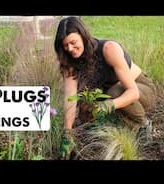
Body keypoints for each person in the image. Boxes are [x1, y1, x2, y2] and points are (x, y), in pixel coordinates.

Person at [54, 16, 157, 160]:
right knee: (86, 104)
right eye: (65, 45)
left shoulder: (108, 49)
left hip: (142, 90)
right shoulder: (70, 61)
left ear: (83, 36)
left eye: (73, 42)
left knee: (114, 92)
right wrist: (67, 133)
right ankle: (119, 123)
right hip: (111, 95)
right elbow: (70, 99)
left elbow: (133, 93)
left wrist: (108, 105)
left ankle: (143, 125)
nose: (70, 49)